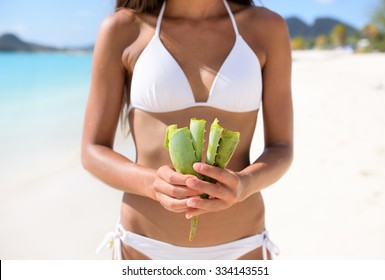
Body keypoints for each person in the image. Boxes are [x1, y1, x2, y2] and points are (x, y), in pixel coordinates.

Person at [82, 0, 293, 260]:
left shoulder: (266, 27)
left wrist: (245, 184)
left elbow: (282, 148)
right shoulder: (124, 28)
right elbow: (92, 151)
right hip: (144, 248)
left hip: (242, 249)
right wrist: (152, 184)